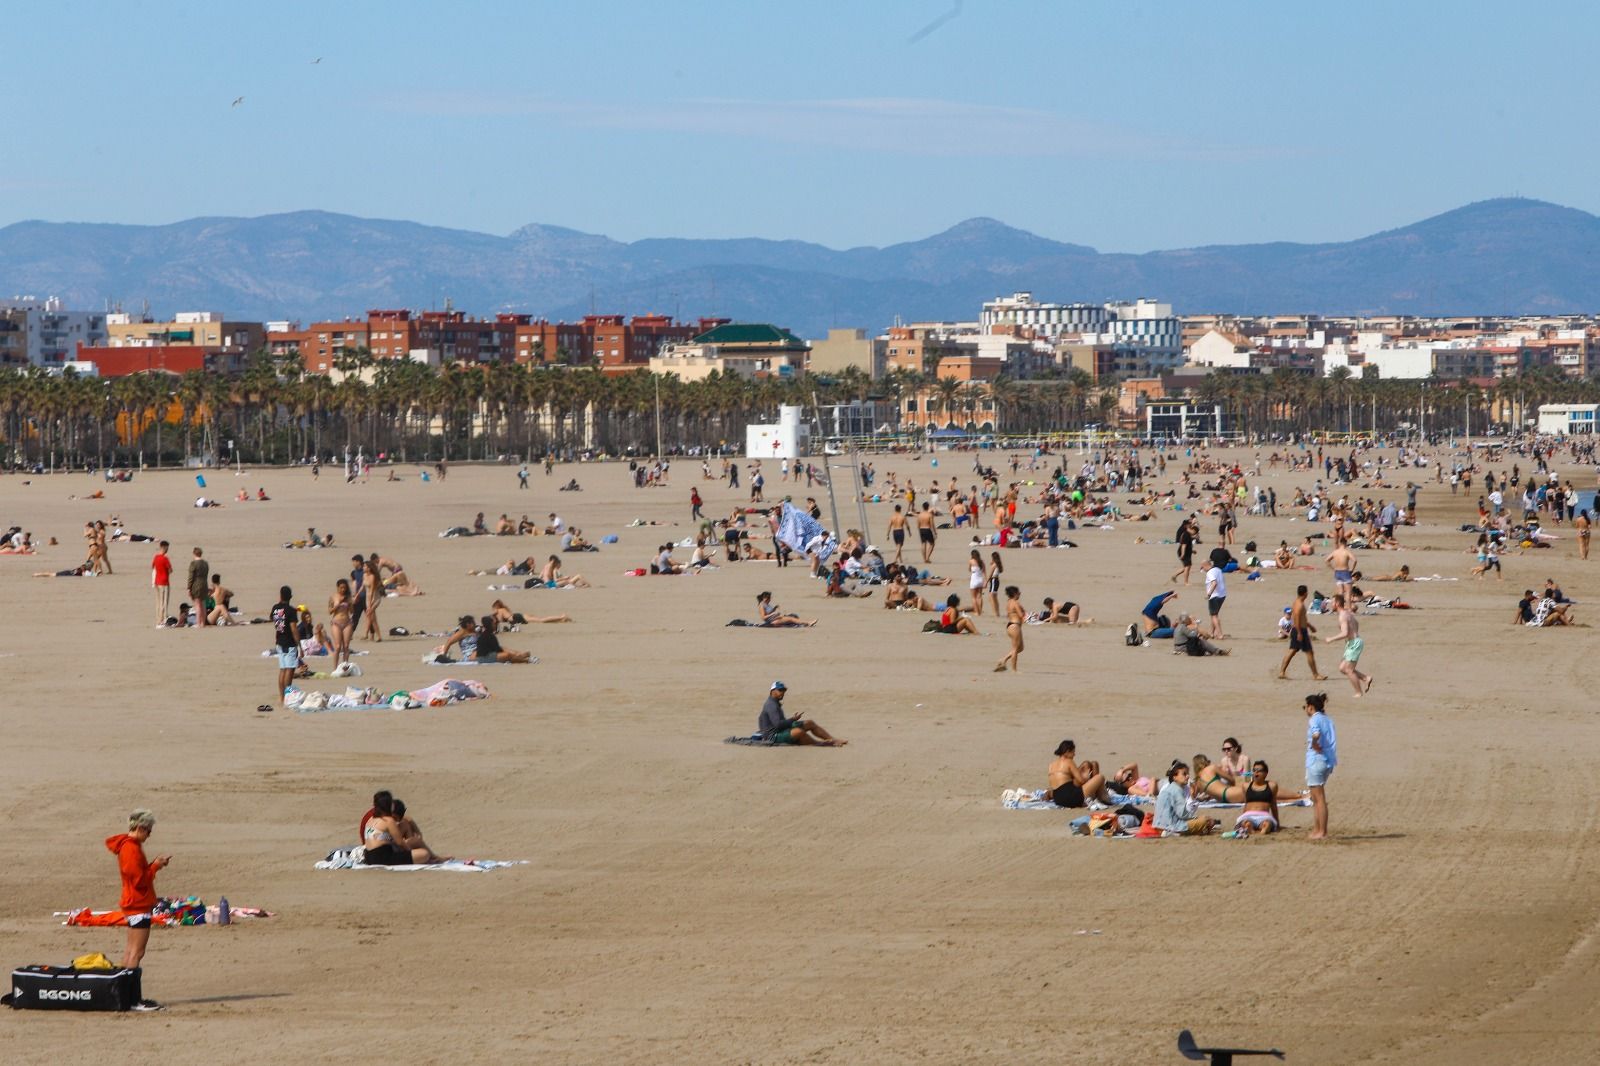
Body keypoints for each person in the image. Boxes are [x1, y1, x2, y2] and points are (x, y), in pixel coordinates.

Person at [105, 808, 169, 1003]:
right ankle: (132, 998)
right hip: (138, 904)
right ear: (140, 827)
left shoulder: (127, 846)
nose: (149, 835)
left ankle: (121, 995)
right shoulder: (130, 848)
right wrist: (156, 866)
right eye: (148, 831)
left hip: (134, 902)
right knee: (137, 952)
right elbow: (139, 880)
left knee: (130, 951)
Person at [361, 791, 444, 865]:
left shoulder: (371, 819)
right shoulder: (388, 820)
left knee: (415, 841)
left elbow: (377, 837)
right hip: (382, 858)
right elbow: (400, 842)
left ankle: (434, 857)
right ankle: (434, 858)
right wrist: (410, 852)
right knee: (424, 854)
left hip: (369, 857)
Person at [757, 681, 844, 745]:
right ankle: (821, 744)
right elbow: (778, 725)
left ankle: (833, 739)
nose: (782, 692)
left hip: (780, 730)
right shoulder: (771, 705)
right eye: (780, 690)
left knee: (809, 723)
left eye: (783, 690)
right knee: (799, 731)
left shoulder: (775, 703)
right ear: (772, 691)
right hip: (772, 736)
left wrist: (793, 720)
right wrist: (793, 719)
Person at [1324, 593, 1373, 696]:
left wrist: (1331, 639)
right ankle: (1365, 678)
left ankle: (1358, 692)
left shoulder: (1342, 615)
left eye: (1332, 602)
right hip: (1352, 643)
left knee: (1348, 670)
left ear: (1337, 603)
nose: (1331, 605)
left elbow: (1345, 633)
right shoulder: (1348, 613)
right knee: (1342, 668)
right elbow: (1356, 623)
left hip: (1354, 643)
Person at [1305, 692, 1337, 840]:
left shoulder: (1314, 719)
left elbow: (1316, 735)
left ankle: (1321, 831)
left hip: (1316, 760)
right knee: (1316, 798)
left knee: (1318, 799)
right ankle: (1317, 829)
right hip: (1327, 761)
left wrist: (1314, 744)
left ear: (1310, 707)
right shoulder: (1327, 719)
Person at [1278, 585, 1327, 681]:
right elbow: (1296, 619)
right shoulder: (1299, 605)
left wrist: (1310, 626)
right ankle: (1316, 675)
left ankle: (1282, 672)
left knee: (1292, 651)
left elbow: (1301, 619)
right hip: (1300, 631)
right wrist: (1300, 633)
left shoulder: (1297, 602)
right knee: (1309, 652)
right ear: (1305, 594)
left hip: (1299, 629)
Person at [1154, 762, 1215, 836]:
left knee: (1201, 820)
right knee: (1206, 820)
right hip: (1171, 826)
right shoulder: (1176, 790)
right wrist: (1196, 818)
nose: (1188, 776)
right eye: (1184, 774)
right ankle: (1173, 833)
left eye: (1187, 774)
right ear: (1174, 777)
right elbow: (1182, 814)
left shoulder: (1168, 788)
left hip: (1158, 824)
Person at [1045, 740, 1108, 808]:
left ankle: (1096, 795)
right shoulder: (1069, 761)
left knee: (1086, 764)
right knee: (1100, 777)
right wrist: (1087, 778)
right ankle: (1103, 798)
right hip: (1071, 798)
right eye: (1073, 752)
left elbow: (1061, 783)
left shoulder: (1051, 765)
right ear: (1067, 752)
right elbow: (1081, 781)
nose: (1074, 754)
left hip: (1058, 799)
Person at [1234, 759, 1284, 836]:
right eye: (1254, 770)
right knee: (1247, 824)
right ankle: (1253, 831)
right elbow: (1246, 804)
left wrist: (1277, 823)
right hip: (1248, 815)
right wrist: (1243, 817)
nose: (1256, 773)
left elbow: (1273, 805)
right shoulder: (1246, 786)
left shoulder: (1272, 786)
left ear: (1265, 773)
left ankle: (1261, 832)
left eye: (1259, 770)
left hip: (1264, 816)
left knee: (1266, 825)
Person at [270, 586, 300, 706]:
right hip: (289, 642)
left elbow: (276, 623)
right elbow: (293, 629)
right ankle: (288, 696)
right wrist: (299, 644)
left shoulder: (275, 608)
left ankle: (282, 697)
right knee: (290, 669)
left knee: (282, 669)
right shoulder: (291, 611)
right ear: (290, 597)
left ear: (280, 596)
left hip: (279, 641)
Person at [994, 585, 1025, 672]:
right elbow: (1021, 615)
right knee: (1015, 648)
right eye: (1018, 592)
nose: (1020, 594)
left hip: (1011, 625)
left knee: (1021, 648)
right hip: (1015, 626)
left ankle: (1003, 659)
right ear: (1015, 593)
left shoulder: (1009, 602)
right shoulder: (1015, 603)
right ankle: (1014, 670)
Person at [328, 578, 355, 664]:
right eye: (341, 588)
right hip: (336, 622)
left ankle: (345, 666)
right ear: (337, 587)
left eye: (344, 588)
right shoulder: (333, 597)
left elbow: (352, 612)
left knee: (346, 646)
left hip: (347, 622)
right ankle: (335, 668)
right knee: (338, 646)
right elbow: (330, 611)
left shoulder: (348, 597)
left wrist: (351, 603)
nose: (343, 590)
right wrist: (337, 605)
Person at [490, 599, 571, 626]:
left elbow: (500, 620)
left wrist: (493, 615)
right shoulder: (504, 609)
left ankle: (561, 617)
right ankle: (560, 620)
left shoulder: (499, 611)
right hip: (517, 616)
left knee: (541, 620)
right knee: (541, 619)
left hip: (517, 617)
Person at [1203, 555, 1227, 639]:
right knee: (1214, 614)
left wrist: (1209, 594)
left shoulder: (1210, 573)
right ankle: (1211, 633)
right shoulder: (1218, 570)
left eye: (1203, 568)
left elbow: (1214, 583)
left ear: (1206, 565)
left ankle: (1219, 634)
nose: (1203, 570)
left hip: (1214, 596)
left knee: (1214, 616)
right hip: (1222, 595)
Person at [151, 540, 172, 627]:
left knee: (158, 602)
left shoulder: (156, 557)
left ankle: (158, 619)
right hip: (164, 582)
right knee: (164, 602)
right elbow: (170, 570)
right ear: (165, 547)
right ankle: (162, 620)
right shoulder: (165, 558)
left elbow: (152, 566)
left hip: (156, 582)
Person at [187, 547, 210, 628]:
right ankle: (203, 623)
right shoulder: (205, 563)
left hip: (196, 584)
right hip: (204, 584)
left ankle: (198, 623)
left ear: (194, 553)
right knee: (203, 604)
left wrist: (189, 588)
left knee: (197, 604)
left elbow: (191, 577)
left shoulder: (193, 564)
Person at [967, 549, 986, 615]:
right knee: (979, 596)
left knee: (973, 597)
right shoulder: (982, 561)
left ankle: (977, 612)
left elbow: (969, 569)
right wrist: (985, 581)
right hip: (980, 579)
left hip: (974, 579)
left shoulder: (971, 561)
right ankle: (980, 611)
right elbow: (984, 572)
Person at [986, 551, 1004, 616]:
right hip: (996, 580)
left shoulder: (994, 565)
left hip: (993, 580)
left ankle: (995, 612)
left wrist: (986, 583)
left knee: (992, 598)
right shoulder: (998, 564)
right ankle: (997, 612)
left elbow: (990, 575)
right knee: (994, 598)